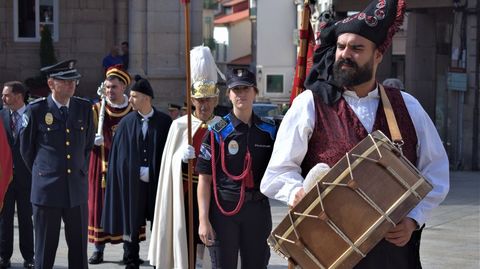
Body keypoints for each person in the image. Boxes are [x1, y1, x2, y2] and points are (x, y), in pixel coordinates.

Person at [260, 0, 450, 268]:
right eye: (341, 47)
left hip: (391, 253)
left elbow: (436, 172)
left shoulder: (407, 106)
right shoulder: (310, 104)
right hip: (328, 251)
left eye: (357, 48)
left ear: (378, 56)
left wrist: (413, 219)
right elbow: (276, 174)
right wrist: (298, 193)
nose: (345, 54)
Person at [148, 45, 222, 268]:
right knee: (186, 249)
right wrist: (178, 157)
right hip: (186, 196)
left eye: (209, 99)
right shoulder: (180, 127)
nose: (205, 104)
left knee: (215, 251)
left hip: (216, 197)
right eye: (200, 99)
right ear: (192, 100)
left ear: (216, 100)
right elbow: (167, 166)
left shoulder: (222, 127)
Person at [196, 67, 277, 269]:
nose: (241, 94)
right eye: (236, 90)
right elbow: (204, 180)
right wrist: (203, 220)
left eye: (246, 89)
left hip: (257, 210)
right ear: (229, 95)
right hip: (225, 212)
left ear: (255, 92)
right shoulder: (217, 132)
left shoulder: (269, 131)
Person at [19, 59, 95, 269]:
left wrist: (78, 171)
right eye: (65, 81)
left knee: (79, 251)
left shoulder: (84, 108)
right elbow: (27, 150)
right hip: (47, 191)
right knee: (45, 250)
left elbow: (86, 146)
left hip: (76, 191)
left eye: (74, 81)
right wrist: (44, 172)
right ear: (51, 84)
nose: (71, 85)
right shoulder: (36, 110)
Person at [101, 75, 171, 269]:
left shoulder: (165, 122)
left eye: (134, 96)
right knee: (131, 220)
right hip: (133, 183)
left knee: (159, 222)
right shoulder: (126, 122)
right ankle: (130, 259)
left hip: (157, 183)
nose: (129, 100)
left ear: (146, 98)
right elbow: (119, 155)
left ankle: (159, 259)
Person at [87, 65, 133, 264]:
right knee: (98, 207)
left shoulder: (133, 110)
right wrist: (91, 140)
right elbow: (81, 136)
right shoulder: (97, 109)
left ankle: (128, 250)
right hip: (101, 165)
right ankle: (99, 249)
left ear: (123, 87)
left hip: (126, 167)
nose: (109, 91)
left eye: (114, 87)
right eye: (107, 87)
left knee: (126, 208)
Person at [0, 81, 34, 269]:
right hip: (5, 177)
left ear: (18, 96)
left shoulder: (33, 114)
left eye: (6, 95)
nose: (3, 98)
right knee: (4, 219)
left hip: (27, 176)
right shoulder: (1, 115)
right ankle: (4, 257)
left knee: (26, 218)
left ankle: (29, 257)